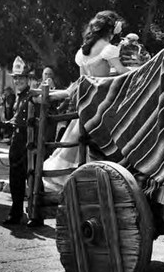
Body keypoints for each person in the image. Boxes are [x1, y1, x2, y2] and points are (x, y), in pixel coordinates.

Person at [43, 10, 130, 171]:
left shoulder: (82, 52)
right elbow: (120, 70)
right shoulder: (109, 49)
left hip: (86, 105)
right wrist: (138, 70)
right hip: (102, 105)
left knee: (75, 144)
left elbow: (83, 81)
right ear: (111, 30)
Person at [0, 56, 41, 227]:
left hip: (29, 142)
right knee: (16, 179)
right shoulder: (18, 98)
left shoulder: (33, 97)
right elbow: (15, 122)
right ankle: (16, 213)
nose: (18, 81)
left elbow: (39, 121)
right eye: (16, 78)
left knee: (32, 179)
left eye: (22, 78)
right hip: (17, 143)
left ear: (28, 79)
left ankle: (36, 214)